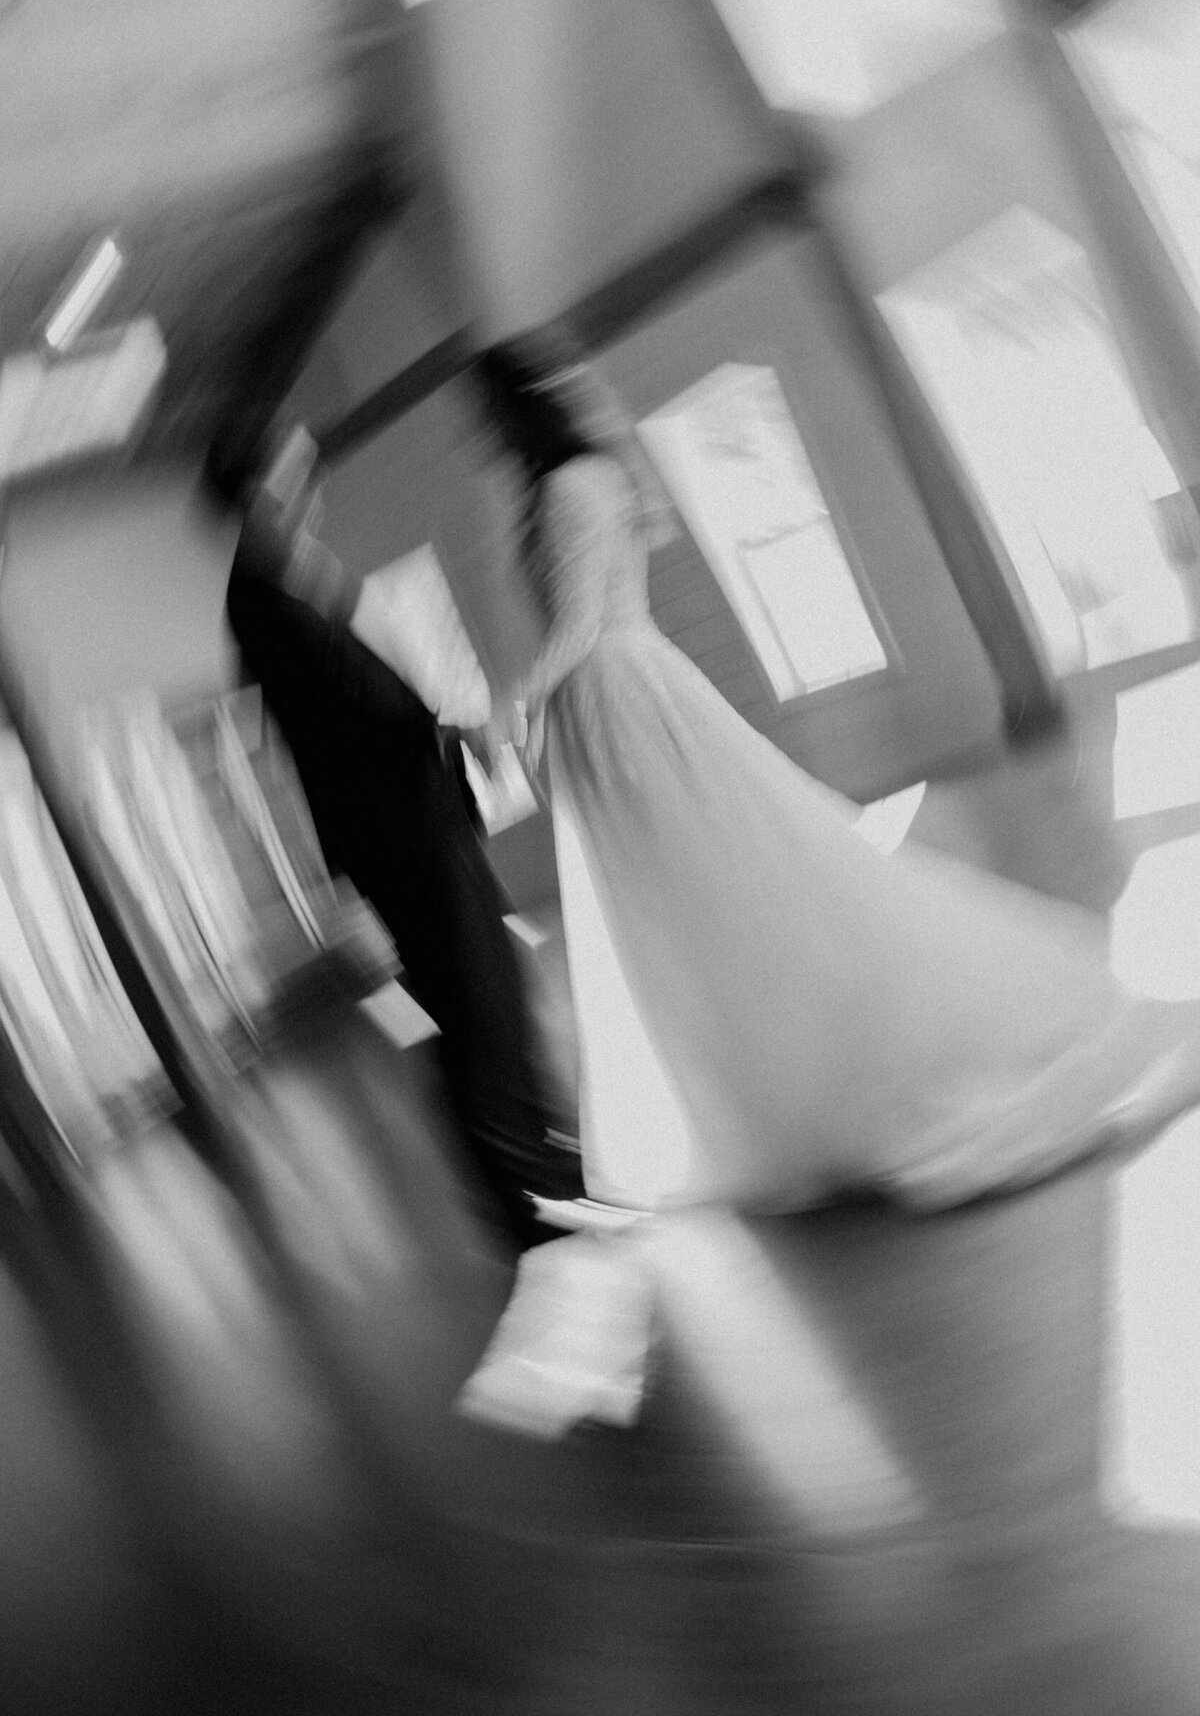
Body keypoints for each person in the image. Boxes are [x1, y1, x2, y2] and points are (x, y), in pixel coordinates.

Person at [472, 330, 1200, 1221]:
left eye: (488, 412)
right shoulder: (578, 479)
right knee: (692, 897)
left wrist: (513, 705)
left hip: (620, 699)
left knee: (715, 885)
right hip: (613, 706)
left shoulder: (567, 485)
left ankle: (836, 1067)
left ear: (512, 408)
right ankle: (763, 1082)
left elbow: (581, 621)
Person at [213, 427, 586, 1250]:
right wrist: (452, 732)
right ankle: (519, 1189)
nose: (307, 480)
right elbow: (353, 711)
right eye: (291, 467)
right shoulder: (260, 592)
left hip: (416, 808)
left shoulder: (288, 571)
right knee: (470, 1001)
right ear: (259, 486)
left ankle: (544, 1159)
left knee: (492, 982)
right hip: (394, 824)